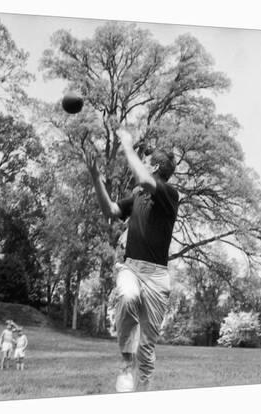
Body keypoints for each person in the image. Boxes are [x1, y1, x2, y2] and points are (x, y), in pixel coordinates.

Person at [84, 127, 179, 392]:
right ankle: (126, 364)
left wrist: (127, 145)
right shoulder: (137, 195)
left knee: (147, 352)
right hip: (131, 267)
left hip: (157, 278)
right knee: (126, 296)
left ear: (156, 167)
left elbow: (145, 178)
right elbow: (111, 210)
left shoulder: (170, 194)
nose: (142, 164)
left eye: (146, 162)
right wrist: (95, 178)